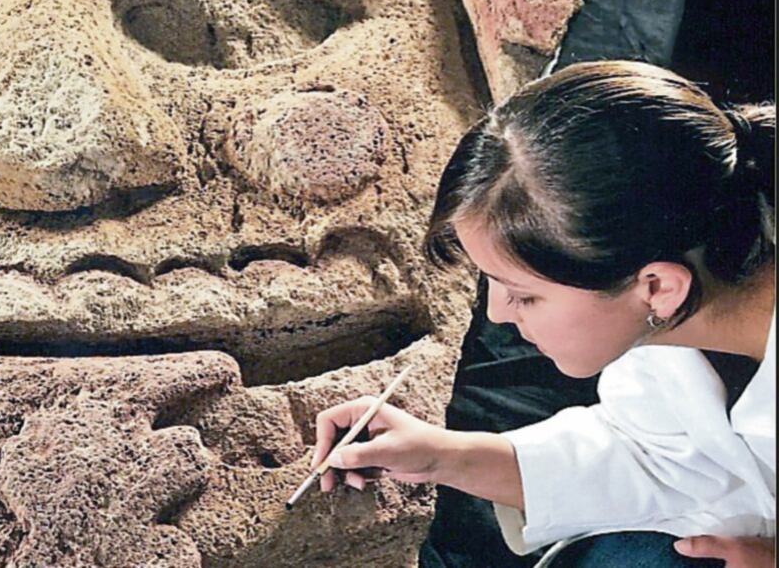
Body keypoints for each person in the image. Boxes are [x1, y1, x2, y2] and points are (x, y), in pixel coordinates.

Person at [311, 61, 775, 567]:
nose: (498, 313)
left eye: (524, 294)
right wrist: (443, 456)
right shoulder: (662, 329)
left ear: (658, 286)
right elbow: (658, 455)